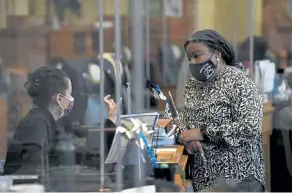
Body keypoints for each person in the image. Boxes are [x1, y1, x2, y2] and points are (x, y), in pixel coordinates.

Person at [175, 29, 265, 192]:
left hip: (238, 179)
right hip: (203, 179)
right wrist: (186, 138)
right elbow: (184, 121)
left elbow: (251, 127)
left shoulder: (239, 82)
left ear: (217, 55)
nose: (193, 62)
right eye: (190, 58)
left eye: (197, 55)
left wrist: (204, 133)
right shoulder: (192, 86)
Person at [4, 66, 117, 175]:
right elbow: (33, 173)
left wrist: (109, 123)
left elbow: (69, 152)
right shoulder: (36, 125)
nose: (72, 99)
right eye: (70, 94)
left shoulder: (47, 122)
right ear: (59, 99)